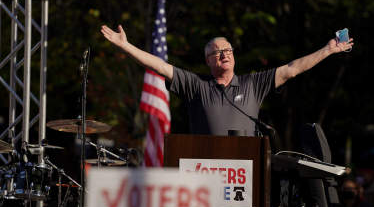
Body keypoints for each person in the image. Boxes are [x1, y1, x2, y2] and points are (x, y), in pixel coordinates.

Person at [101, 25, 354, 135]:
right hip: (203, 170)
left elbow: (292, 69)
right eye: (217, 52)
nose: (225, 54)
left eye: (229, 50)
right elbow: (159, 66)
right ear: (208, 61)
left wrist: (328, 50)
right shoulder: (196, 85)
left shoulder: (253, 84)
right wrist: (126, 47)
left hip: (244, 172)